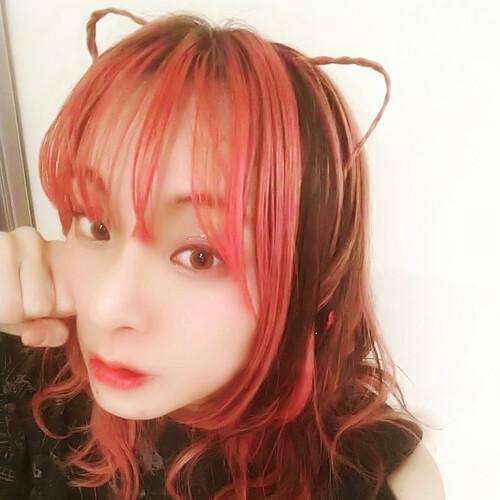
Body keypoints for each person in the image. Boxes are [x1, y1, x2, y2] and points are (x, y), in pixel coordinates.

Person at [0, 8, 444, 500]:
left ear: (307, 278)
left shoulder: (376, 479)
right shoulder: (23, 378)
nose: (106, 309)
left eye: (200, 256)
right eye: (97, 226)